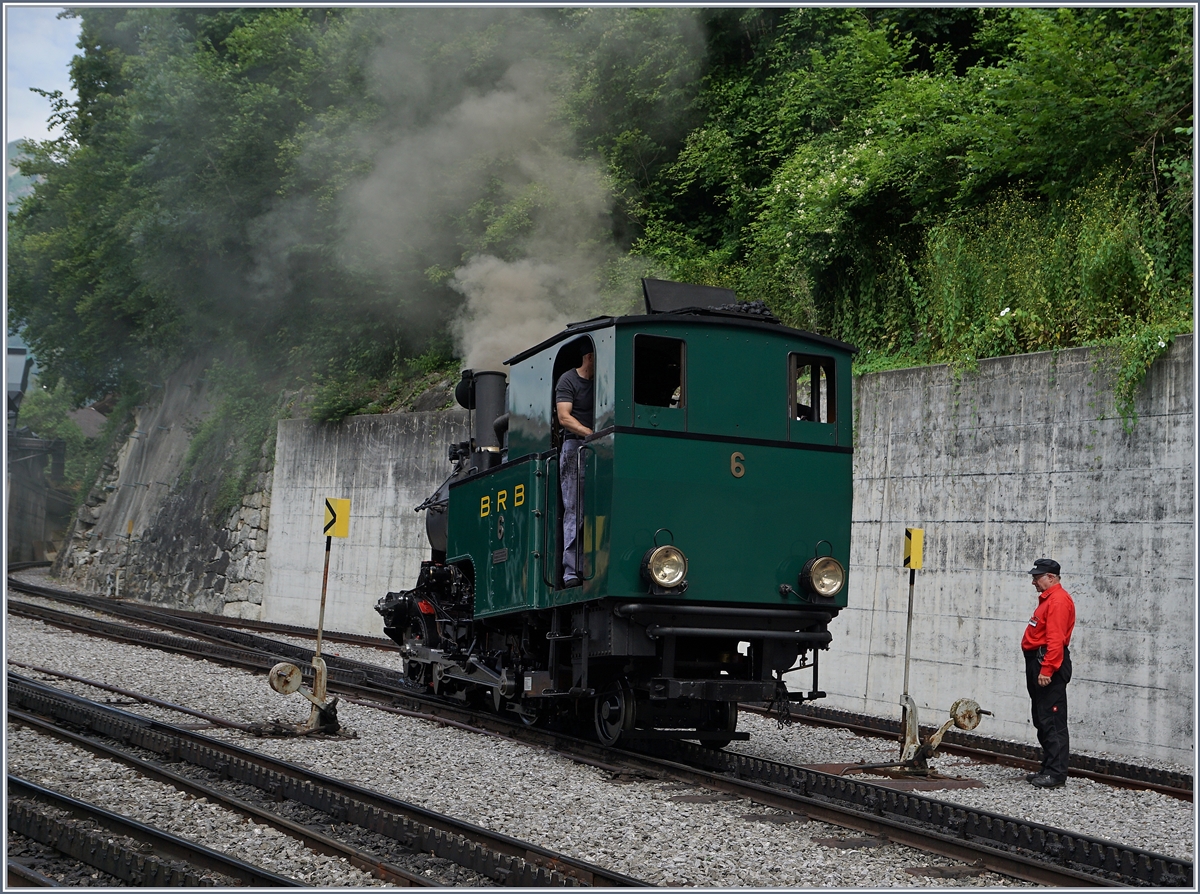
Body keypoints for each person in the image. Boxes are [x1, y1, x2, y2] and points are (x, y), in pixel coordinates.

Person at [1021, 558, 1076, 788]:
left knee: (1052, 719)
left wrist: (1047, 669)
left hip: (1047, 662)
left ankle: (1056, 774)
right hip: (1040, 661)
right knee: (1042, 717)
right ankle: (1048, 767)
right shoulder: (1048, 600)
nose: (1034, 581)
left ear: (1051, 577)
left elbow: (1055, 639)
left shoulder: (1058, 601)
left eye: (1038, 577)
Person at [555, 345, 594, 588]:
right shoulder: (568, 380)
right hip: (575, 448)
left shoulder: (603, 381)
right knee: (575, 508)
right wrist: (591, 433)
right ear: (589, 357)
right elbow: (564, 417)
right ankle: (571, 570)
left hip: (599, 447)